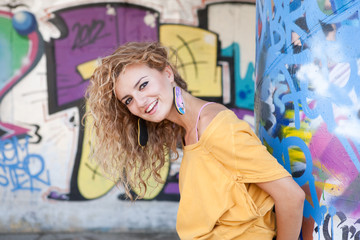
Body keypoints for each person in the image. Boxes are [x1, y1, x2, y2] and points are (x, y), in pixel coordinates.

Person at [84, 41, 305, 240]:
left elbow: (291, 197)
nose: (140, 102)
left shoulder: (216, 127)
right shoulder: (187, 130)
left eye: (143, 85)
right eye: (129, 100)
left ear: (168, 73)